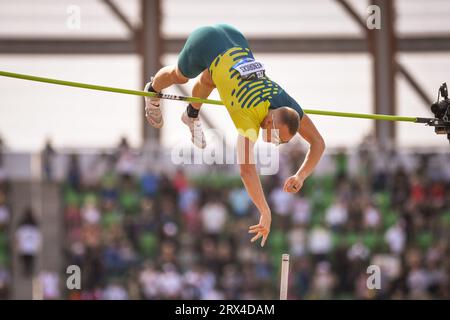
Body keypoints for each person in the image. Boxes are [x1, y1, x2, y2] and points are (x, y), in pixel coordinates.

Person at [143, 24, 325, 247]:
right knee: (180, 76)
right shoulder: (248, 116)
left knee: (210, 78)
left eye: (283, 141)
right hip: (206, 42)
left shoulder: (285, 103)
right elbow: (246, 170)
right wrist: (265, 211)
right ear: (269, 122)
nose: (276, 144)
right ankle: (152, 91)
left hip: (235, 39)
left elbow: (317, 142)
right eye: (278, 138)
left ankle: (191, 113)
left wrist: (301, 175)